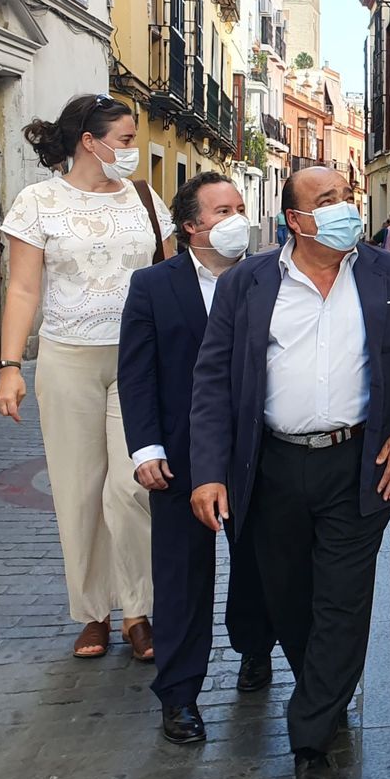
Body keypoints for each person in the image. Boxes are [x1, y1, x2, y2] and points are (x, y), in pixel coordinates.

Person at [188, 166, 390, 779]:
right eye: (325, 200)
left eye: (345, 197)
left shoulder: (388, 275)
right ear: (296, 220)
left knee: (342, 600)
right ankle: (324, 695)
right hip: (271, 466)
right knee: (291, 600)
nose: (343, 208)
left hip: (358, 466)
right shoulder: (250, 283)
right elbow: (213, 381)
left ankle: (310, 743)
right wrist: (208, 472)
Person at [0, 93, 173, 662]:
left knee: (132, 485)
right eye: (123, 140)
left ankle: (138, 609)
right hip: (67, 358)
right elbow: (23, 289)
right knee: (78, 490)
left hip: (139, 362)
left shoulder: (146, 199)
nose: (132, 151)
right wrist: (9, 366)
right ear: (89, 143)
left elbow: (170, 278)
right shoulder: (39, 202)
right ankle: (93, 611)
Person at [118, 172, 277, 746]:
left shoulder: (267, 278)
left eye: (240, 206)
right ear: (190, 226)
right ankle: (179, 695)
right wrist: (146, 448)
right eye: (222, 210)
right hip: (180, 457)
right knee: (182, 577)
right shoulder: (152, 286)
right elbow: (135, 375)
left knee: (256, 564)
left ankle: (256, 650)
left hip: (255, 453)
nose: (237, 217)